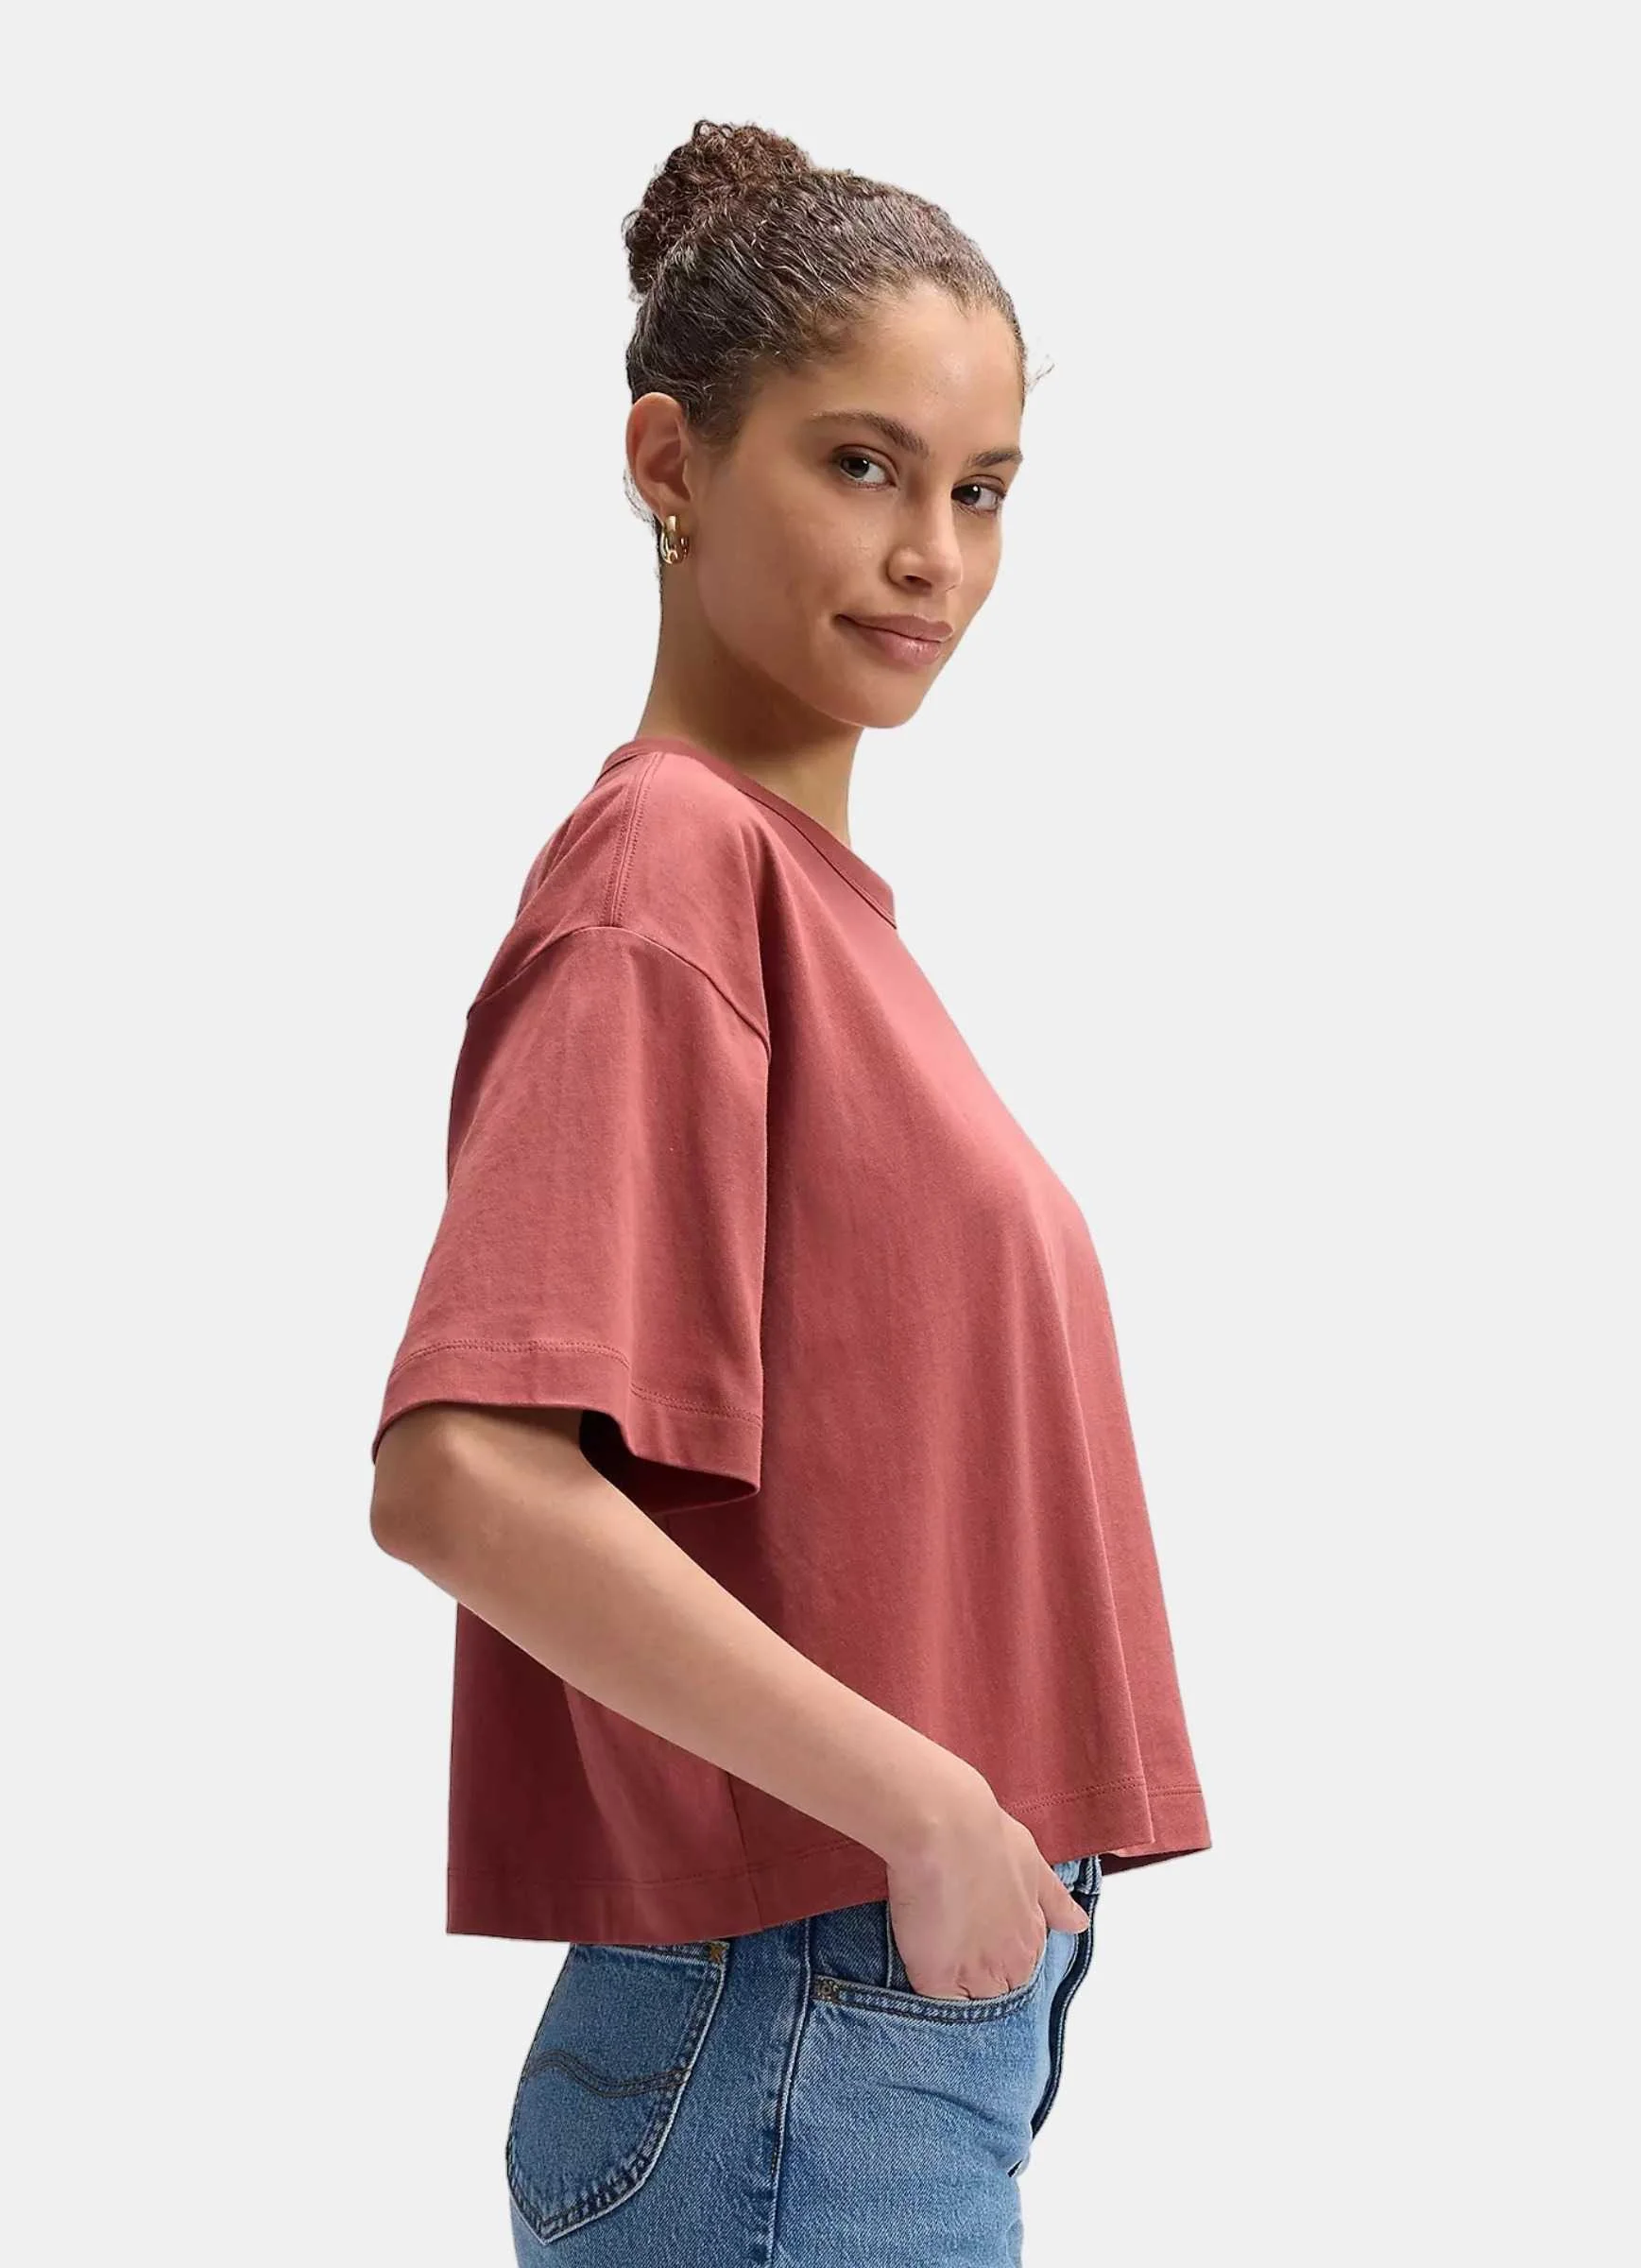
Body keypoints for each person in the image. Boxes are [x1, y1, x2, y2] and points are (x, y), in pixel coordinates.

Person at [368, 117, 1211, 2266]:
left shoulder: (809, 914)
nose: (932, 555)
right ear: (670, 462)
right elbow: (465, 1472)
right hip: (797, 2038)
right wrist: (923, 1805)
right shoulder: (671, 871)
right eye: (860, 467)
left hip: (855, 2042)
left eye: (982, 491)